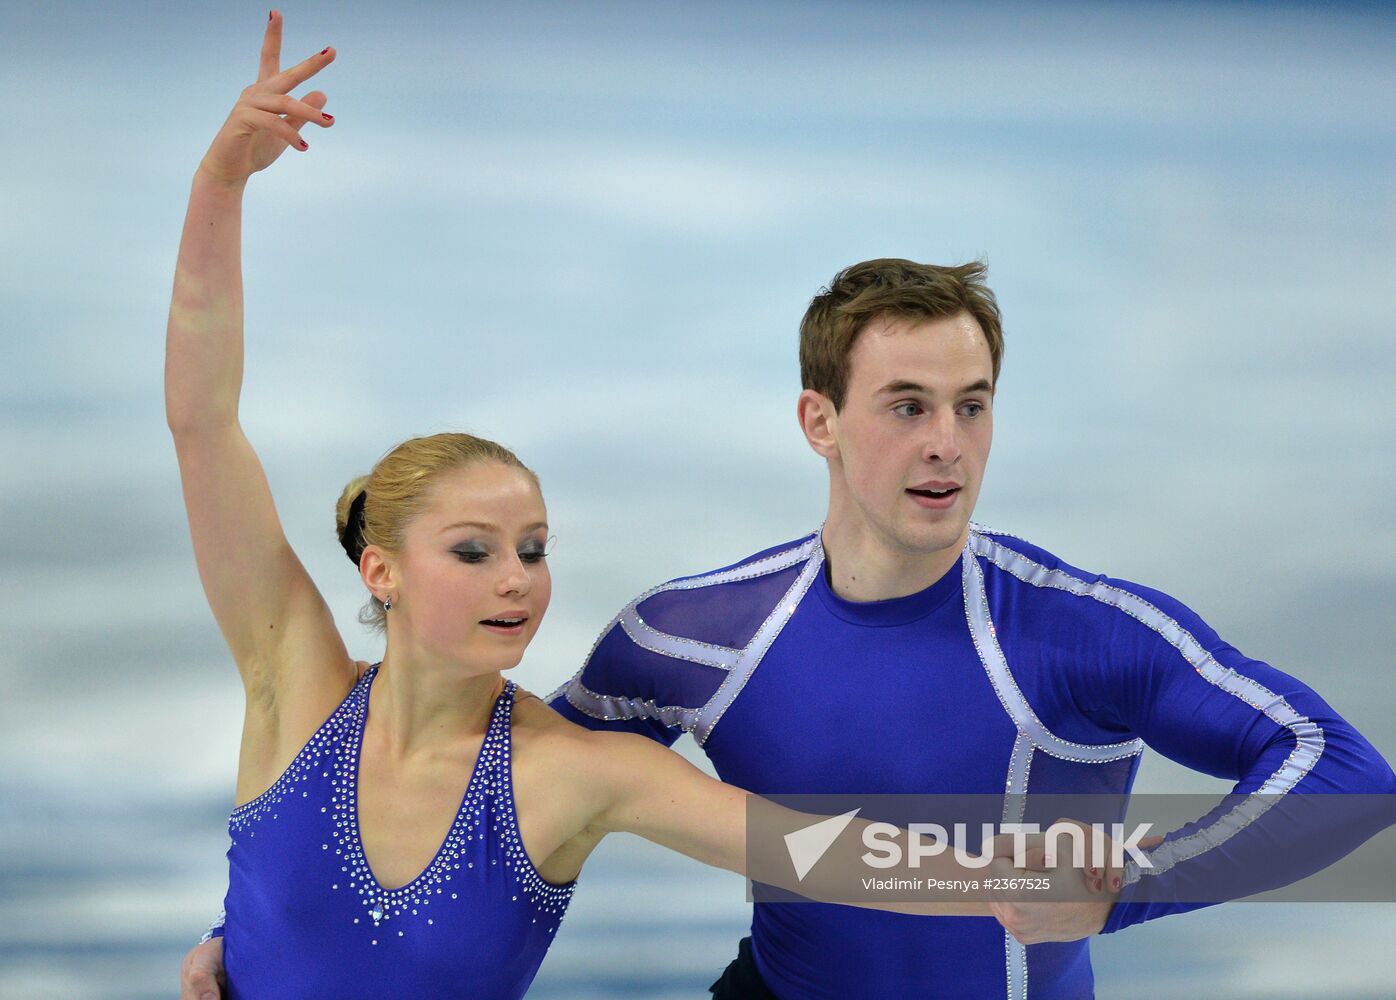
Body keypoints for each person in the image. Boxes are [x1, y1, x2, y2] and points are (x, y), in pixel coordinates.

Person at [181, 14, 1396, 1000]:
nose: (947, 444)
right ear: (819, 422)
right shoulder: (681, 637)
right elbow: (476, 813)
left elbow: (1349, 780)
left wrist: (1121, 884)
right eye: (907, 404)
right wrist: (262, 925)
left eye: (972, 405)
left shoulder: (1079, 633)